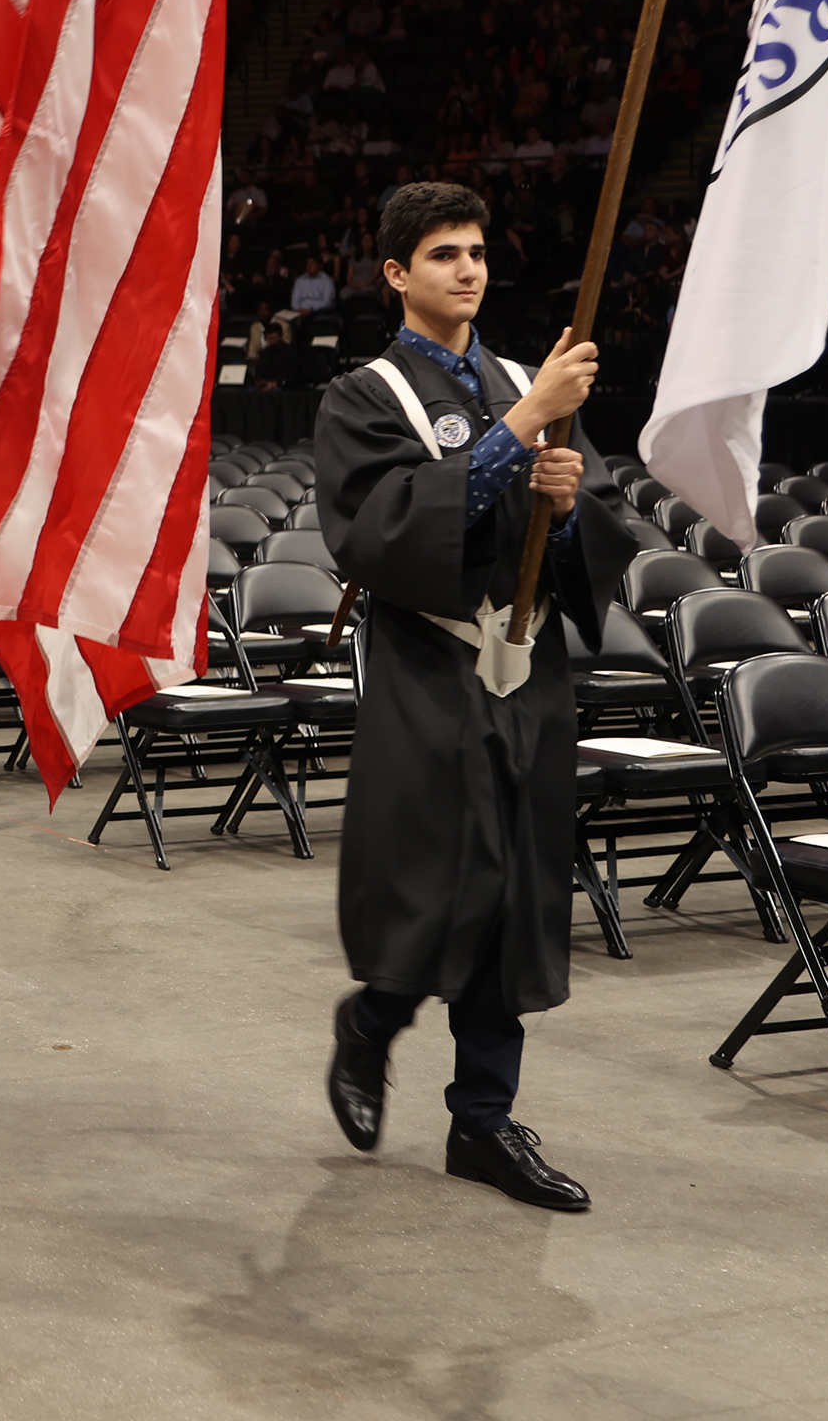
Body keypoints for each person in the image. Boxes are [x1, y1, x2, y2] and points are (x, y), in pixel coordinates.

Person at [314, 181, 635, 1213]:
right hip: (431, 668)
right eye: (445, 254)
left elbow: (583, 531)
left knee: (517, 900)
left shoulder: (510, 375)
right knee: (434, 891)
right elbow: (378, 532)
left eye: (479, 253)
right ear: (398, 274)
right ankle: (372, 1025)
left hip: (526, 665)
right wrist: (520, 429)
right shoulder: (364, 396)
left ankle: (484, 1122)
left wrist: (566, 504)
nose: (469, 270)